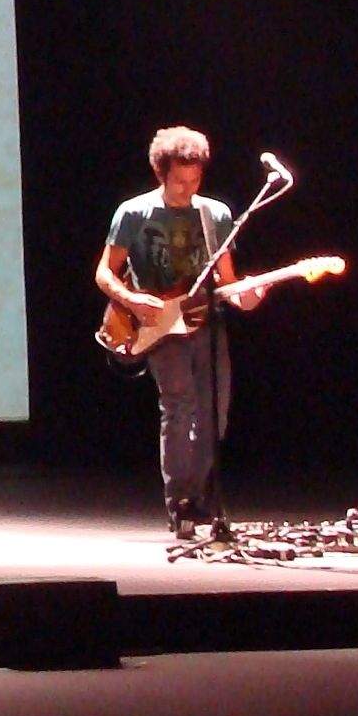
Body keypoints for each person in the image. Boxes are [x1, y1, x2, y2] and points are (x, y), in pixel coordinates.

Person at [94, 125, 263, 538]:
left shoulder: (216, 215)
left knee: (215, 414)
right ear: (161, 174)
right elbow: (104, 272)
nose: (188, 188)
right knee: (179, 406)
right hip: (158, 324)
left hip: (206, 324)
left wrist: (248, 296)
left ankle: (199, 495)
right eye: (179, 180)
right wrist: (133, 301)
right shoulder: (133, 213)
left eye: (195, 179)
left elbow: (227, 282)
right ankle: (181, 504)